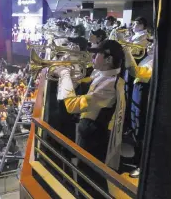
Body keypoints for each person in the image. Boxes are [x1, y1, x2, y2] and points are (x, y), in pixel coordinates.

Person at [55, 40, 125, 198]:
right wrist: (72, 77)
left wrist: (65, 74)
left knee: (88, 179)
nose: (93, 57)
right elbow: (87, 82)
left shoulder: (109, 85)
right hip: (90, 132)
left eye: (97, 54)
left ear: (108, 60)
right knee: (87, 176)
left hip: (93, 138)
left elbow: (72, 105)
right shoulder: (106, 76)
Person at [124, 38, 154, 178]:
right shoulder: (148, 57)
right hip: (138, 91)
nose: (149, 45)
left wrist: (127, 52)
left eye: (153, 43)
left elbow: (136, 72)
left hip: (144, 93)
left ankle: (141, 165)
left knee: (141, 130)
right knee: (136, 128)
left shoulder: (155, 61)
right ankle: (137, 159)